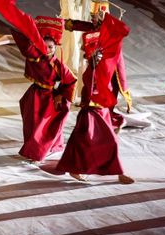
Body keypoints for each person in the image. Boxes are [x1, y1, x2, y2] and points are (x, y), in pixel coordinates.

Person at [57, 17, 135, 184]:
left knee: (83, 140)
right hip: (92, 109)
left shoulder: (110, 57)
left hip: (102, 107)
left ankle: (75, 168)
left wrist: (123, 97)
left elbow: (119, 75)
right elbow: (89, 85)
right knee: (102, 141)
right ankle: (116, 172)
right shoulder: (91, 69)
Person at [12, 16, 76, 163]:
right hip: (34, 95)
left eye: (51, 47)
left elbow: (71, 80)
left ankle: (37, 153)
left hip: (49, 98)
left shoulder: (58, 65)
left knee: (43, 127)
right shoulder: (35, 57)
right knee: (32, 124)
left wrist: (60, 95)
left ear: (55, 47)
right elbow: (26, 47)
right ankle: (35, 147)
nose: (47, 50)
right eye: (44, 46)